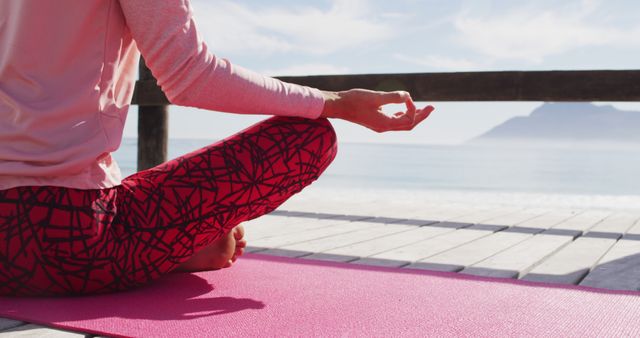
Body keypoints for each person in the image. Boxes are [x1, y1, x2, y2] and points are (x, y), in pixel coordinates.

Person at [0, 0, 433, 296]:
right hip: (78, 237)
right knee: (308, 138)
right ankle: (169, 248)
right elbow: (188, 74)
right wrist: (337, 104)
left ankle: (171, 245)